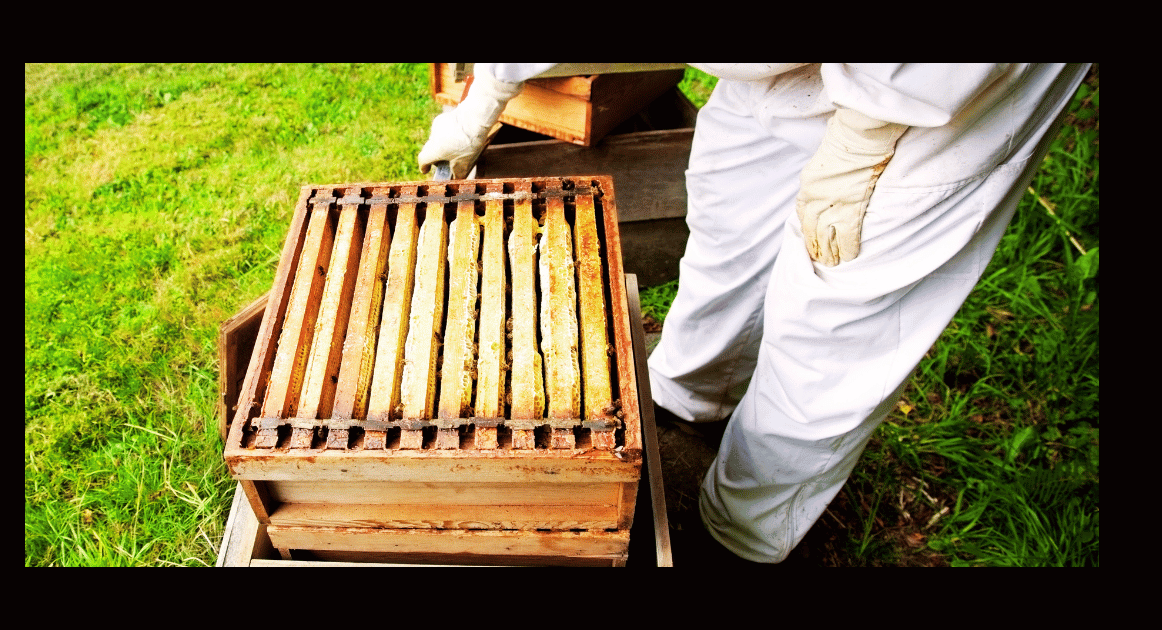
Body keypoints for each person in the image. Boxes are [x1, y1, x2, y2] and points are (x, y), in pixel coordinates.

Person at [418, 63, 1092, 564]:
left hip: (939, 75)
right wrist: (485, 102)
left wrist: (863, 139)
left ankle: (741, 533)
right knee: (731, 207)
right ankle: (688, 393)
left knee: (837, 304)